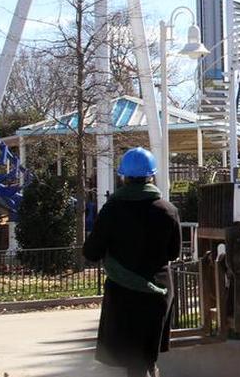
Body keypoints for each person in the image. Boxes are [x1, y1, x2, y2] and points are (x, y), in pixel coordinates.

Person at [83, 147, 181, 377]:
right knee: (146, 358)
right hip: (158, 291)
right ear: (152, 176)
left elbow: (92, 252)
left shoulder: (111, 210)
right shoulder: (168, 211)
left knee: (131, 361)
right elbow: (173, 252)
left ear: (123, 176)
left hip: (123, 294)